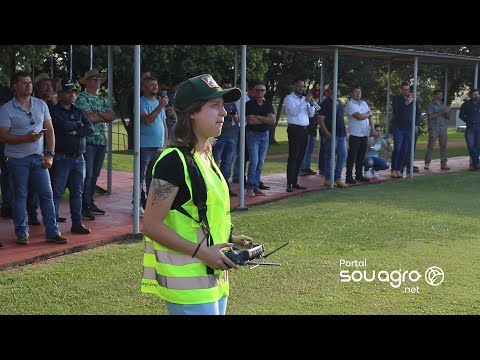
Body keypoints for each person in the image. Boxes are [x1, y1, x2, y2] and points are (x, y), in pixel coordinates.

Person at [141, 74, 252, 315]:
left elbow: (198, 212)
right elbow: (150, 225)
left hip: (213, 276)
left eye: (223, 106)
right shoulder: (173, 161)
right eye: (215, 106)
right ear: (192, 112)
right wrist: (203, 252)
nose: (224, 113)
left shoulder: (205, 154)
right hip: (189, 282)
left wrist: (230, 238)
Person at [0, 71, 67, 245]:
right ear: (14, 86)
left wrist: (50, 154)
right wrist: (25, 138)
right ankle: (22, 233)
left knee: (47, 194)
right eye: (24, 82)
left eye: (29, 82)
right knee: (20, 196)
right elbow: (3, 136)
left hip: (39, 158)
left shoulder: (41, 105)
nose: (28, 85)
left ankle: (52, 232)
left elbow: (50, 131)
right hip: (17, 160)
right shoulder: (6, 109)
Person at [50, 79, 94, 234]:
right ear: (60, 94)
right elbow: (63, 126)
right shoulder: (54, 112)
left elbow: (90, 129)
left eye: (73, 91)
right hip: (61, 157)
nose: (72, 94)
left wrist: (75, 129)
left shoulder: (78, 111)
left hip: (78, 158)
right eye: (68, 91)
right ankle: (52, 225)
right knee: (57, 192)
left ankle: (77, 223)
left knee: (77, 192)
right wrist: (78, 126)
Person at [75, 69, 116, 220]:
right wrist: (101, 115)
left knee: (95, 174)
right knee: (88, 174)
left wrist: (97, 114)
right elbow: (88, 118)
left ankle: (89, 202)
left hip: (100, 142)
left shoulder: (101, 99)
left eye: (99, 79)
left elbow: (112, 116)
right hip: (89, 141)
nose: (97, 81)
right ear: (87, 82)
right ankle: (84, 205)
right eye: (94, 79)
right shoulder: (82, 98)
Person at [137, 76, 168, 213]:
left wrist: (166, 142)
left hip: (158, 146)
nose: (155, 87)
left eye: (156, 84)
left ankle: (151, 205)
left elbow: (164, 124)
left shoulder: (158, 102)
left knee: (154, 177)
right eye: (151, 85)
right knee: (141, 176)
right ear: (144, 88)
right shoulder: (141, 102)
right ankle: (137, 203)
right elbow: (147, 120)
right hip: (145, 146)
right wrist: (161, 106)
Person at [284, 79, 315, 192]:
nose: (301, 88)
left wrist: (311, 104)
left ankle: (295, 181)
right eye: (299, 86)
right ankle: (289, 183)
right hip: (294, 129)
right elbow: (293, 112)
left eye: (303, 86)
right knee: (293, 156)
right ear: (293, 86)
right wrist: (305, 102)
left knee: (301, 156)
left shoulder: (304, 99)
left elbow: (311, 114)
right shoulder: (289, 98)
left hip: (304, 130)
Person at [344, 85, 375, 184]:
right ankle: (348, 176)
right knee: (352, 156)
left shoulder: (364, 103)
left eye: (360, 92)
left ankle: (358, 174)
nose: (358, 94)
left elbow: (370, 117)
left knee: (361, 156)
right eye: (356, 92)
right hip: (355, 134)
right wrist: (368, 114)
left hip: (364, 133)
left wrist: (373, 129)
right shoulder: (350, 104)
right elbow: (359, 116)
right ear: (351, 93)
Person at [390, 82, 421, 178]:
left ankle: (399, 169)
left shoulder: (414, 101)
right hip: (398, 127)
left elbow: (418, 114)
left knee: (405, 150)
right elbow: (396, 112)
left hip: (409, 129)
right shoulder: (396, 99)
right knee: (398, 148)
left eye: (408, 89)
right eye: (404, 89)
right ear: (401, 90)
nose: (406, 91)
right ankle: (393, 169)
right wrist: (406, 103)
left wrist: (416, 124)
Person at [424, 90, 450, 170]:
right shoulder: (430, 105)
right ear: (435, 95)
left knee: (443, 146)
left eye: (442, 94)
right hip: (434, 128)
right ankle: (427, 163)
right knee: (431, 145)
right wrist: (442, 112)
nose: (441, 96)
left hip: (443, 128)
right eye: (439, 94)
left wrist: (447, 112)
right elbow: (430, 116)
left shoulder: (444, 104)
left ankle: (444, 164)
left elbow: (448, 117)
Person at [458, 89, 480, 170]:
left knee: (478, 146)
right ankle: (477, 163)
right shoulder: (466, 104)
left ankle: (474, 164)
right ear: (471, 95)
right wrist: (468, 120)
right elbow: (461, 115)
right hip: (470, 128)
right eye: (474, 94)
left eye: (477, 94)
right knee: (470, 145)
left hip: (479, 128)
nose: (476, 96)